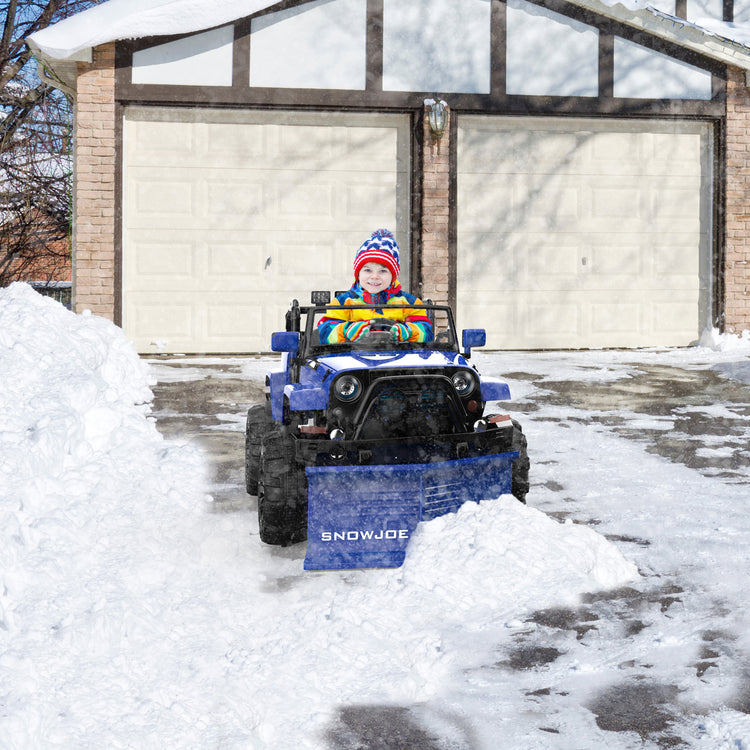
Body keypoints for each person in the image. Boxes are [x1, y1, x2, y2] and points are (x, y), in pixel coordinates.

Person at [318, 229, 433, 344]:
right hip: (351, 357)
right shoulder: (343, 303)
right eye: (368, 270)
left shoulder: (410, 304)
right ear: (358, 274)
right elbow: (325, 335)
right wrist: (345, 330)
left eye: (383, 271)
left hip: (400, 357)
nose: (374, 276)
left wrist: (408, 331)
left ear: (393, 276)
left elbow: (427, 334)